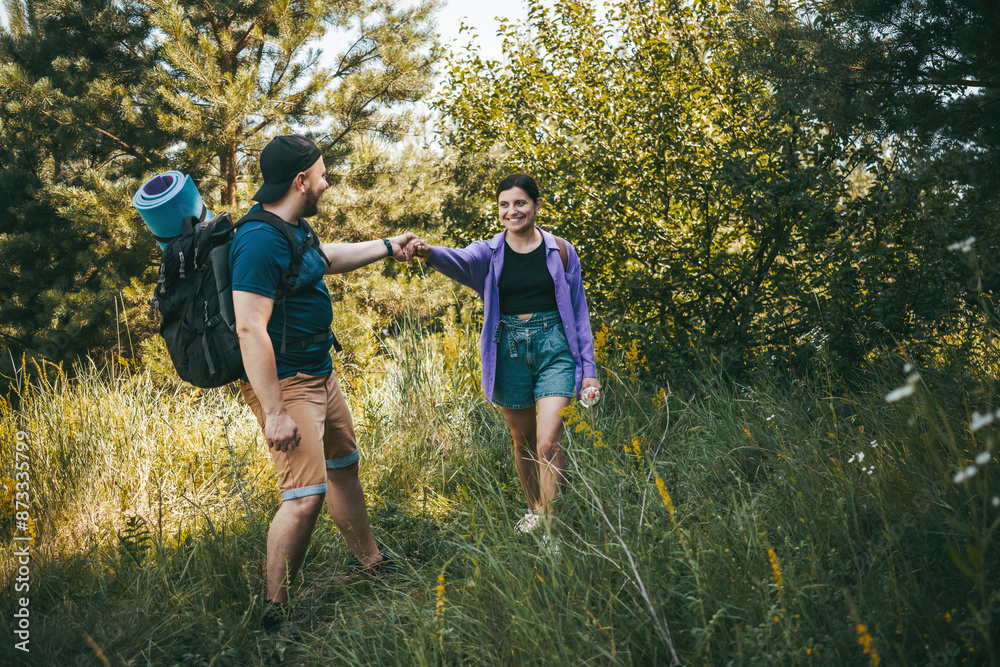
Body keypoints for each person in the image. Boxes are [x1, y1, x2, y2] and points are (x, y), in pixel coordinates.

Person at [231, 134, 415, 633]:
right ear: (301, 181)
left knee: (343, 467)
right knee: (303, 497)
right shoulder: (259, 240)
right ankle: (274, 612)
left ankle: (371, 563)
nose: (326, 181)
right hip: (288, 386)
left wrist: (386, 246)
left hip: (320, 375)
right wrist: (275, 411)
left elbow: (325, 260)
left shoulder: (293, 228)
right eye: (322, 173)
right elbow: (249, 327)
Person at [411, 173, 601, 539]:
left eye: (520, 203)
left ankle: (551, 532)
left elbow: (579, 311)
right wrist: (428, 252)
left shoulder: (560, 250)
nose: (511, 211)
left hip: (555, 348)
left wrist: (588, 370)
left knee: (548, 441)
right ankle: (535, 510)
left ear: (536, 205)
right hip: (509, 350)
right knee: (524, 442)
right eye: (504, 205)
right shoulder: (489, 252)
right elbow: (460, 260)